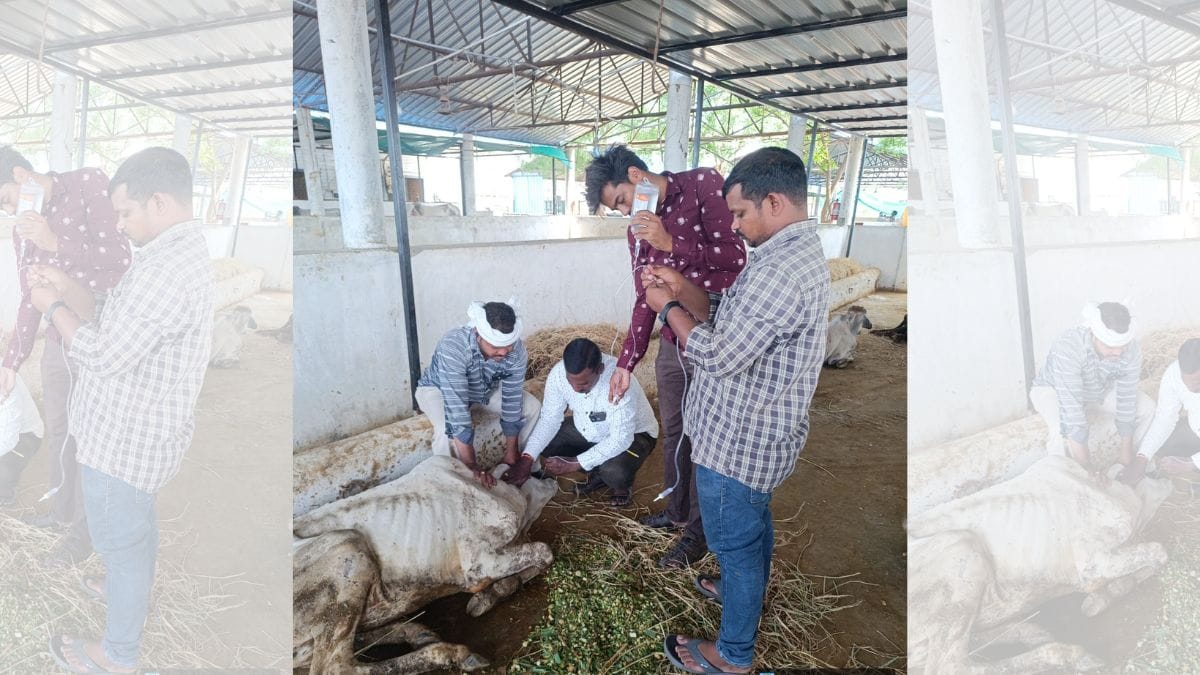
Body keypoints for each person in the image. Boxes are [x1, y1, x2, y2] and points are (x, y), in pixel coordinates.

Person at [641, 147, 829, 674]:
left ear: (774, 201)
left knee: (735, 542)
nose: (738, 227)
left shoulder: (780, 269)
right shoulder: (784, 256)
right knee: (752, 524)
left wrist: (669, 309)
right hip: (757, 434)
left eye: (742, 214)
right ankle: (743, 590)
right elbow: (732, 319)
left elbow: (720, 353)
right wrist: (687, 289)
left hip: (738, 441)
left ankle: (731, 657)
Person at [28, 147, 213, 673]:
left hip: (122, 439)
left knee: (121, 541)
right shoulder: (171, 256)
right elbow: (120, 323)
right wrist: (73, 289)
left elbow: (105, 355)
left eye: (127, 213)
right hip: (145, 432)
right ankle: (124, 589)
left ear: (159, 201)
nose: (122, 226)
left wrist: (54, 309)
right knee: (136, 527)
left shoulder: (164, 269)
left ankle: (116, 656)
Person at [585, 144, 745, 568]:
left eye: (621, 200)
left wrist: (672, 242)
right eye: (618, 209)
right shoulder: (634, 232)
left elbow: (735, 261)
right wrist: (626, 361)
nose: (625, 212)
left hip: (716, 339)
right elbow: (645, 297)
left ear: (637, 177)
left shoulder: (702, 187)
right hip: (673, 345)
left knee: (705, 440)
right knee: (674, 433)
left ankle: (698, 531)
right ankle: (676, 513)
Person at [0, 145, 130, 564]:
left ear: (21, 177)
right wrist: (11, 362)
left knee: (94, 442)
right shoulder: (24, 228)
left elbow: (120, 258)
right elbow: (28, 295)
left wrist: (56, 241)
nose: (7, 211)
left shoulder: (89, 184)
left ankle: (84, 535)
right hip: (59, 340)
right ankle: (62, 513)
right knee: (60, 432)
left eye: (4, 200)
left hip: (100, 337)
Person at [502, 337, 658, 506]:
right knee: (547, 444)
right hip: (588, 428)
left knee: (614, 471)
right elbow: (549, 419)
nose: (576, 389)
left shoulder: (618, 382)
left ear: (600, 369)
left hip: (636, 435)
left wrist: (575, 463)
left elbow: (621, 439)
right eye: (571, 382)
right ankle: (599, 470)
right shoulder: (559, 375)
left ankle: (620, 485)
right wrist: (527, 459)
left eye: (584, 383)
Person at [414, 300, 541, 487]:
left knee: (532, 407)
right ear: (478, 334)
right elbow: (456, 409)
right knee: (445, 430)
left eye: (509, 345)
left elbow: (512, 398)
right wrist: (471, 465)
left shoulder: (516, 350)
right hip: (439, 390)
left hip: (485, 389)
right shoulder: (453, 346)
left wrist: (511, 451)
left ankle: (524, 468)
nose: (505, 351)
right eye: (497, 346)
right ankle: (451, 485)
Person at [1029, 302, 1155, 470]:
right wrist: (1087, 468)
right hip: (1054, 390)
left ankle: (1137, 466)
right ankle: (1066, 479)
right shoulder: (1068, 346)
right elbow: (1072, 409)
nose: (1118, 353)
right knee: (1061, 429)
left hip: (1098, 390)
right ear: (1094, 335)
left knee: (1148, 408)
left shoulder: (1130, 349)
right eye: (1110, 346)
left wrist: (1125, 456)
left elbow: (1127, 397)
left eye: (1122, 346)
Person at [1119, 338, 1200, 485]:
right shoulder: (1174, 374)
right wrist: (1142, 458)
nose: (1190, 388)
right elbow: (1165, 418)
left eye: (1197, 383)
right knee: (1164, 447)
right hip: (1196, 430)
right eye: (1185, 381)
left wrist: (1192, 463)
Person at [0, 370, 44, 505]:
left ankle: (6, 494)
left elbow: (8, 439)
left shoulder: (5, 382)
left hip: (24, 436)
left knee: (3, 470)